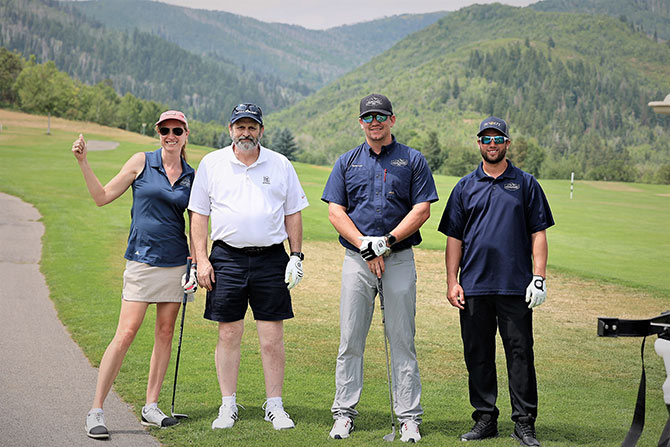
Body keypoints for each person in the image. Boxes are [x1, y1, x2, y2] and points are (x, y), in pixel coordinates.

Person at [73, 110, 197, 439]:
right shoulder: (141, 161)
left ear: (186, 134)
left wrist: (196, 264)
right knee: (126, 333)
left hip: (176, 263)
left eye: (177, 130)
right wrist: (84, 162)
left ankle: (151, 406)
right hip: (142, 261)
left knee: (165, 333)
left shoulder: (191, 176)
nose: (170, 135)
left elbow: (198, 223)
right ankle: (96, 410)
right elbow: (101, 197)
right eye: (165, 130)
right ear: (159, 133)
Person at [321, 93, 438, 443]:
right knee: (350, 340)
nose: (375, 122)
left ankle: (409, 418)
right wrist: (364, 244)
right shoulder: (347, 161)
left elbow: (422, 209)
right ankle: (343, 414)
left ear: (392, 120)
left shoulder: (412, 159)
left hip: (398, 257)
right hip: (357, 260)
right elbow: (335, 211)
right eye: (369, 117)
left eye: (381, 116)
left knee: (402, 340)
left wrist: (385, 242)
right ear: (361, 122)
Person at [188, 103, 308, 431]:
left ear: (261, 131)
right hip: (226, 258)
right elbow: (198, 215)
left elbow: (293, 212)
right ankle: (228, 404)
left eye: (252, 127)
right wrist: (201, 260)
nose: (246, 133)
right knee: (229, 333)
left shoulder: (280, 164)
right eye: (240, 127)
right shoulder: (212, 163)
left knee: (271, 337)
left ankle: (275, 405)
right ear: (230, 130)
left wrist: (296, 255)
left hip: (271, 258)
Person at [438, 116, 554, 446]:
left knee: (520, 354)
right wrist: (452, 281)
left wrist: (539, 277)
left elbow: (538, 233)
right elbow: (454, 238)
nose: (492, 144)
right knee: (478, 355)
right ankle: (485, 418)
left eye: (497, 139)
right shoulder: (464, 186)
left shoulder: (526, 184)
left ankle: (524, 423)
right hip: (474, 286)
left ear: (507, 143)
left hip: (515, 286)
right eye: (486, 139)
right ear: (479, 143)